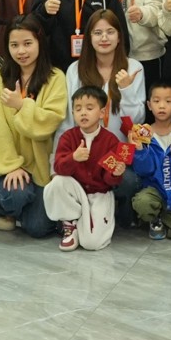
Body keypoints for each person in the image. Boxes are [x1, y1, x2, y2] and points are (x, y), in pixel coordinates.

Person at [0, 15, 69, 237]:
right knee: (16, 195)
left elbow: (48, 123)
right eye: (14, 45)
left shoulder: (55, 77)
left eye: (27, 43)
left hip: (40, 166)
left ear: (40, 42)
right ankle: (4, 205)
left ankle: (17, 211)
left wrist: (21, 106)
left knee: (38, 228)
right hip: (7, 164)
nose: (21, 51)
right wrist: (12, 165)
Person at [45, 85, 132, 250]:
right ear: (73, 113)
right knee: (57, 183)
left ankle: (85, 223)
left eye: (89, 108)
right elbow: (58, 167)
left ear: (102, 112)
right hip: (75, 191)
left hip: (99, 193)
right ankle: (70, 223)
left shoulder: (110, 140)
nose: (83, 113)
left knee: (92, 244)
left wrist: (115, 173)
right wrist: (73, 158)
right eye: (78, 109)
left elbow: (109, 180)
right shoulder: (68, 137)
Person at [126, 82, 171, 240]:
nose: (162, 106)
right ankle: (155, 218)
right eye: (156, 101)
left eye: (168, 101)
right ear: (149, 105)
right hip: (154, 189)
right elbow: (143, 170)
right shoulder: (143, 133)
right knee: (142, 203)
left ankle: (164, 219)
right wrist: (140, 149)